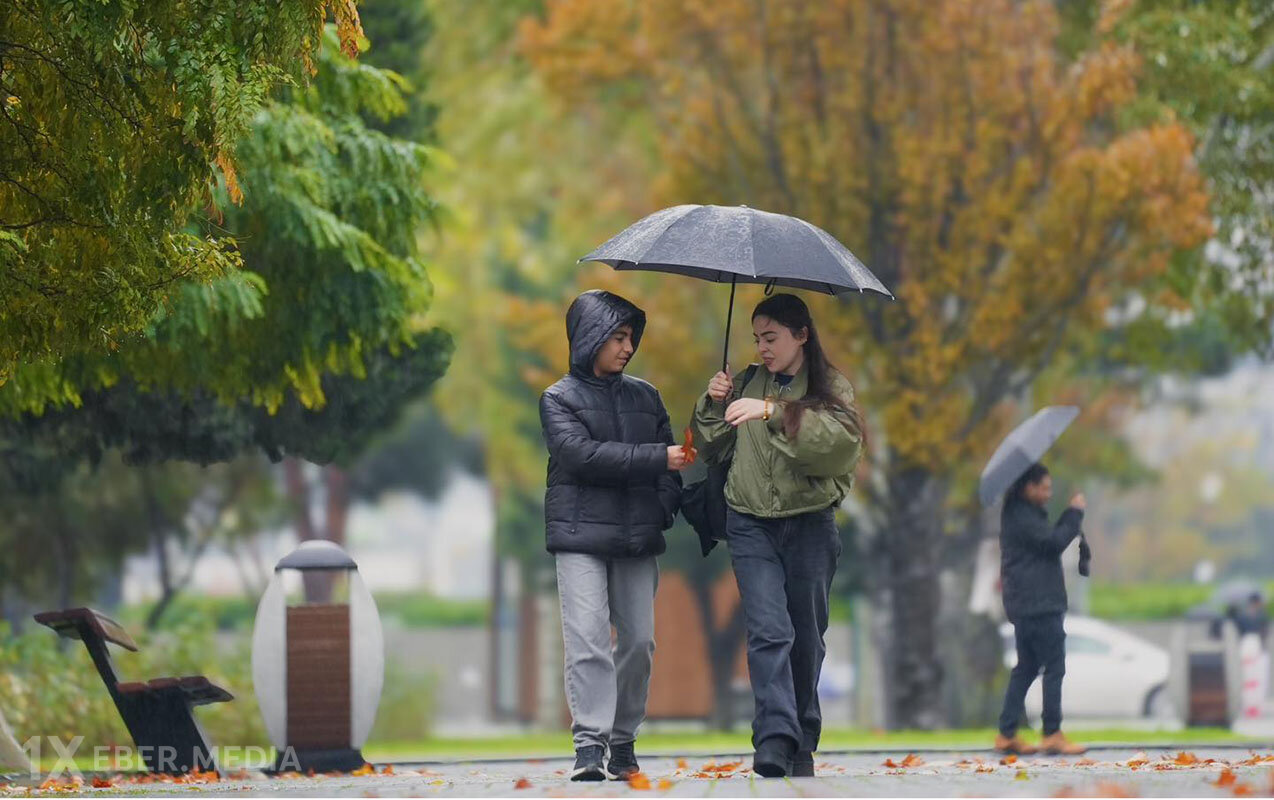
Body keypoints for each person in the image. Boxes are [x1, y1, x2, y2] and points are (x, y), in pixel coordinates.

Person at [693, 293, 864, 778]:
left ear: (801, 335)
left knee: (806, 638)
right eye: (757, 339)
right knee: (769, 631)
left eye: (771, 338)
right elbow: (708, 445)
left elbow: (839, 450)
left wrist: (772, 411)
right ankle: (773, 737)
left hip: (810, 524)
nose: (762, 348)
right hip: (749, 523)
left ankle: (801, 740)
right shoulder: (745, 381)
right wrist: (715, 402)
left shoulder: (832, 388)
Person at [539, 290, 688, 781]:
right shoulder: (558, 399)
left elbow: (673, 469)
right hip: (580, 536)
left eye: (631, 338)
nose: (628, 347)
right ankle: (589, 746)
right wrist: (656, 460)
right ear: (590, 338)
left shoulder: (647, 397)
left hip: (636, 538)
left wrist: (663, 508)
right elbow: (581, 456)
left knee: (640, 643)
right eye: (618, 337)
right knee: (587, 640)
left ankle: (623, 740)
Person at [995, 463, 1087, 756]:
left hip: (1026, 603)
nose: (1049, 493)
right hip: (1039, 604)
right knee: (1054, 666)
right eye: (1044, 487)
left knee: (1026, 668)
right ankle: (1052, 733)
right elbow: (1053, 543)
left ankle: (1007, 733)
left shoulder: (1020, 514)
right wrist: (1073, 514)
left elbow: (1047, 542)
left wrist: (1067, 517)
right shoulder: (1022, 515)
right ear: (1028, 487)